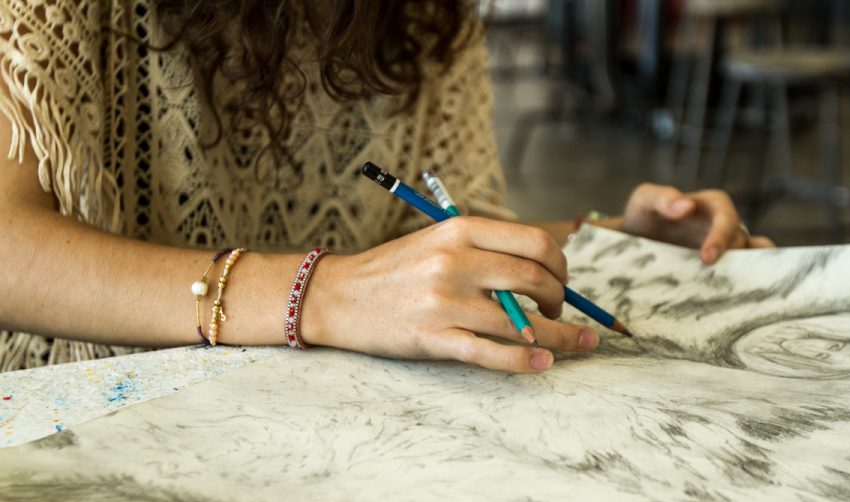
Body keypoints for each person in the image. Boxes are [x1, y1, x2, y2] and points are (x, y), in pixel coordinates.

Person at [0, 0, 772, 374]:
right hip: (80, 419)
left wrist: (609, 239)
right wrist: (323, 294)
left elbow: (447, 227)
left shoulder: (425, 14)